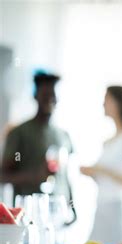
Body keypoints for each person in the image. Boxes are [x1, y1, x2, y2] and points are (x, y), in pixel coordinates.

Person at [1, 72, 76, 222]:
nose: (50, 99)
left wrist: (72, 208)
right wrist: (33, 176)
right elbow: (3, 175)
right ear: (35, 96)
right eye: (45, 94)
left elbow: (66, 176)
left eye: (53, 94)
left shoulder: (64, 135)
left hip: (58, 217)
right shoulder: (19, 133)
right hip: (29, 215)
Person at [80, 86, 122, 244]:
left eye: (106, 99)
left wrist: (102, 171)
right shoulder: (107, 142)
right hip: (100, 208)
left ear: (117, 103)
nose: (103, 104)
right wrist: (94, 174)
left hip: (115, 211)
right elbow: (106, 180)